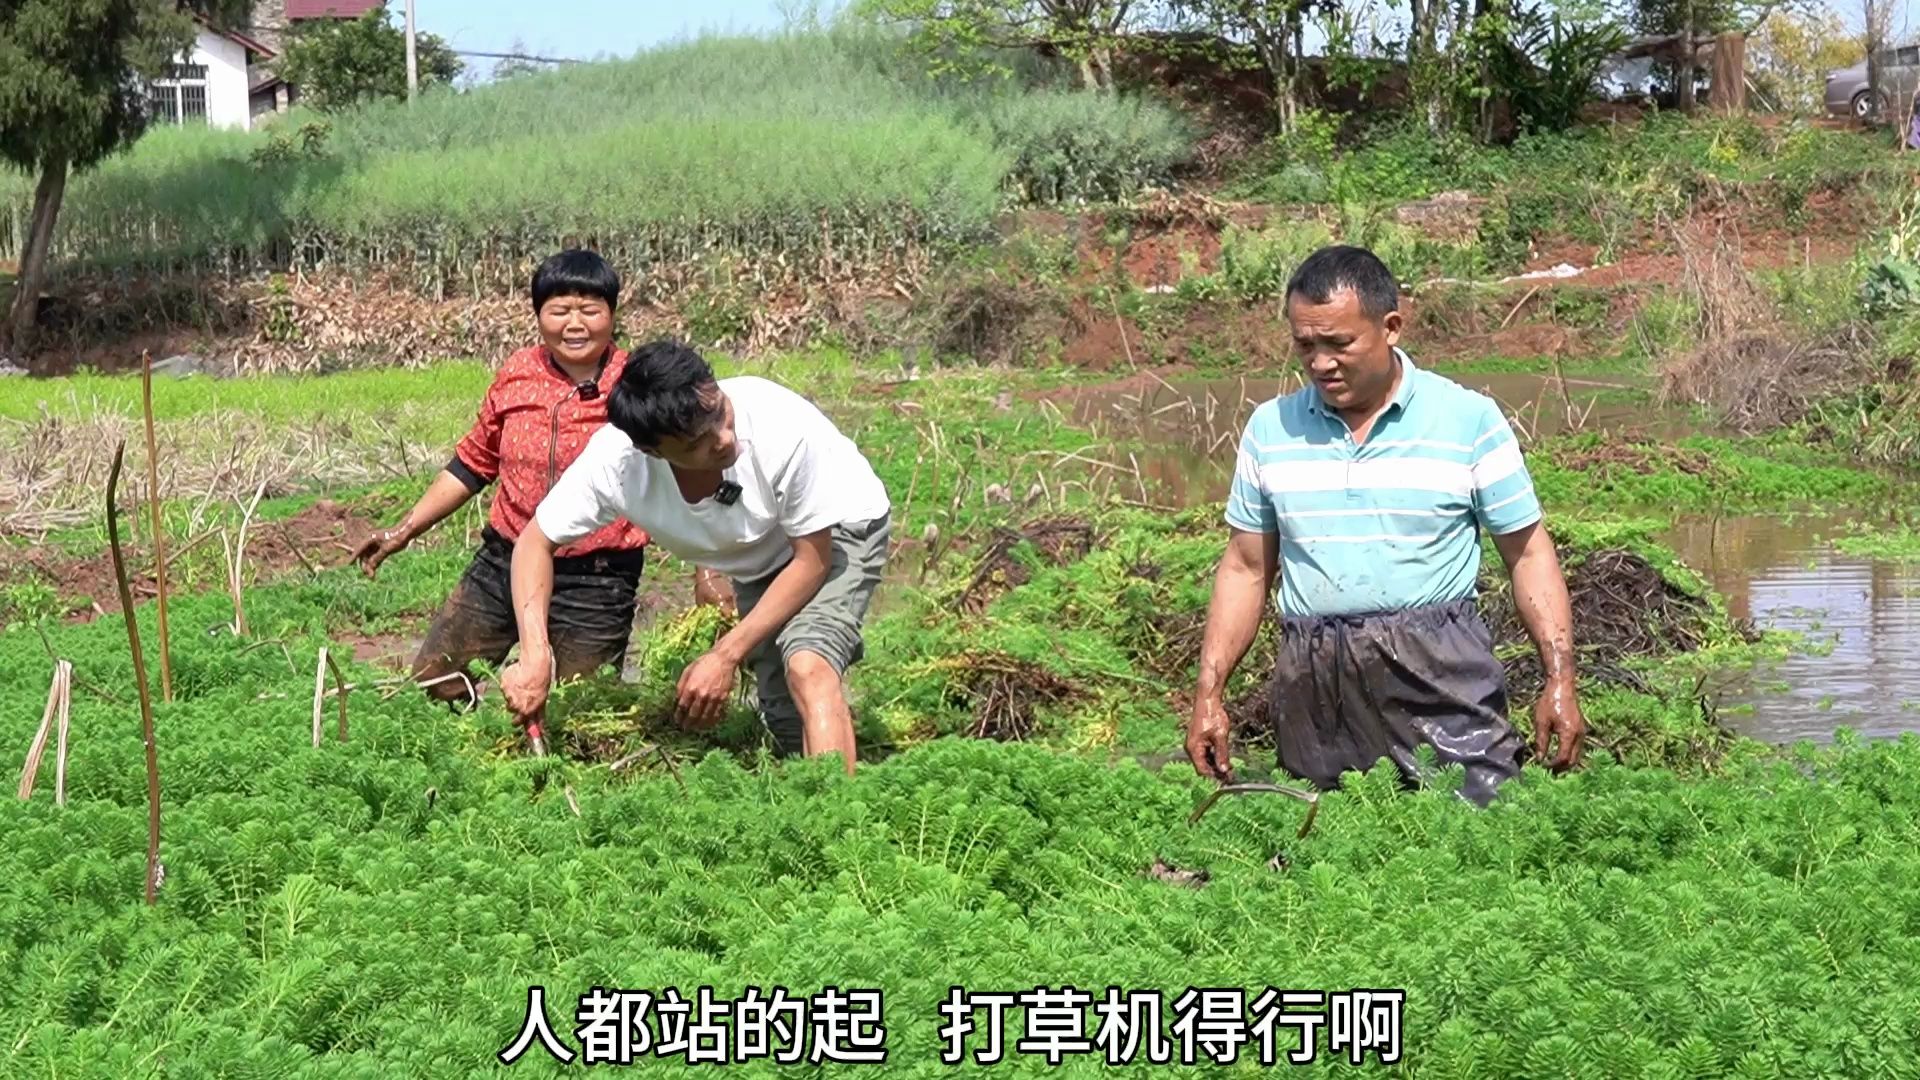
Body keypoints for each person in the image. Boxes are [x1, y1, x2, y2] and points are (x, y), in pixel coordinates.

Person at [1183, 245, 1584, 807]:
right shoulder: (1270, 429)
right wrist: (1209, 694)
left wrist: (1559, 679)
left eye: (1340, 343)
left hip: (1438, 662)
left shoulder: (1468, 420)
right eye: (1305, 345)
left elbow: (1529, 555)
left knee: (1483, 826)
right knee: (1325, 839)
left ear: (1391, 326)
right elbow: (1246, 568)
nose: (1321, 362)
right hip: (1314, 674)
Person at [353, 250, 723, 751]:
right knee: (433, 683)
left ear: (613, 314)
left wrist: (708, 570)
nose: (575, 324)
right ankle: (456, 770)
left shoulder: (639, 388)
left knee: (579, 718)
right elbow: (473, 462)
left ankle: (547, 794)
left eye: (590, 310)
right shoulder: (517, 374)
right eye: (559, 310)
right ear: (538, 315)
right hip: (504, 562)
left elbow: (692, 467)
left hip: (598, 576)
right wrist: (404, 530)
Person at [499, 340, 892, 774]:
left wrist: (724, 655)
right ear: (654, 451)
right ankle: (823, 788)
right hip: (758, 556)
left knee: (807, 664)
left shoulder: (780, 428)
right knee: (786, 725)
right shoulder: (617, 466)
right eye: (698, 443)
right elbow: (534, 542)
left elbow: (812, 561)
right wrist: (535, 655)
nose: (725, 439)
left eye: (720, 413)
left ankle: (845, 825)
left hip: (837, 529)